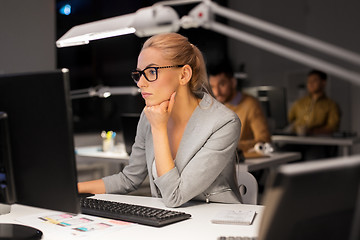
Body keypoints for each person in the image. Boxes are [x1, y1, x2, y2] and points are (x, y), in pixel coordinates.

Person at [78, 33, 242, 207]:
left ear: (184, 75)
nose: (140, 83)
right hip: (170, 221)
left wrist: (159, 128)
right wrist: (74, 187)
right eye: (139, 74)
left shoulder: (224, 122)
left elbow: (174, 196)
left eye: (151, 71)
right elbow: (129, 179)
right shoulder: (149, 115)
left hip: (216, 223)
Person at [208, 61, 271, 154]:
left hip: (247, 164)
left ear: (233, 82)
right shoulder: (216, 107)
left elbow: (264, 139)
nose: (217, 92)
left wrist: (231, 146)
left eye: (222, 84)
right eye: (213, 86)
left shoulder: (251, 104)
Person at [288, 69, 340, 136]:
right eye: (309, 81)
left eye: (314, 80)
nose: (310, 83)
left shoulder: (331, 105)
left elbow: (333, 127)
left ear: (323, 82)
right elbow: (289, 119)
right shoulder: (299, 102)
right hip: (297, 139)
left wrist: (311, 131)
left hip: (318, 141)